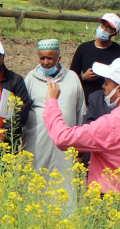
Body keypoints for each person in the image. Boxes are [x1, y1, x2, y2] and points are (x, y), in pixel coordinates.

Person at [44, 57, 120, 209]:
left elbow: (63, 138)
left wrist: (51, 102)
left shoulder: (111, 124)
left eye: (107, 83)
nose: (103, 87)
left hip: (106, 202)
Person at [22, 39, 85, 213]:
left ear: (59, 56)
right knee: (37, 181)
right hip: (37, 143)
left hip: (66, 145)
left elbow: (81, 111)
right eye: (42, 58)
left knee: (65, 183)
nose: (45, 62)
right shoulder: (30, 79)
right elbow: (21, 112)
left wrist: (80, 144)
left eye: (50, 58)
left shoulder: (72, 78)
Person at [69, 13, 120, 102]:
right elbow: (71, 76)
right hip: (85, 101)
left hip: (108, 102)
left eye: (109, 27)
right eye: (103, 24)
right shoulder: (84, 48)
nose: (104, 29)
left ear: (115, 33)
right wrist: (83, 77)